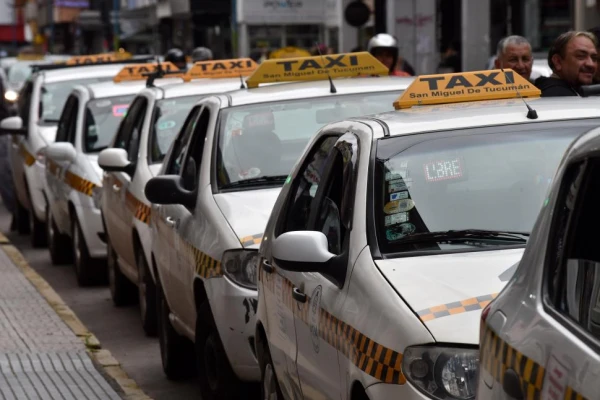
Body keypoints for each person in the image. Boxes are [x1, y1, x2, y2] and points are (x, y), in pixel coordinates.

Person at [535, 31, 597, 97]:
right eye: (581, 56)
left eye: (594, 58)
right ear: (558, 62)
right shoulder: (558, 98)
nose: (591, 64)